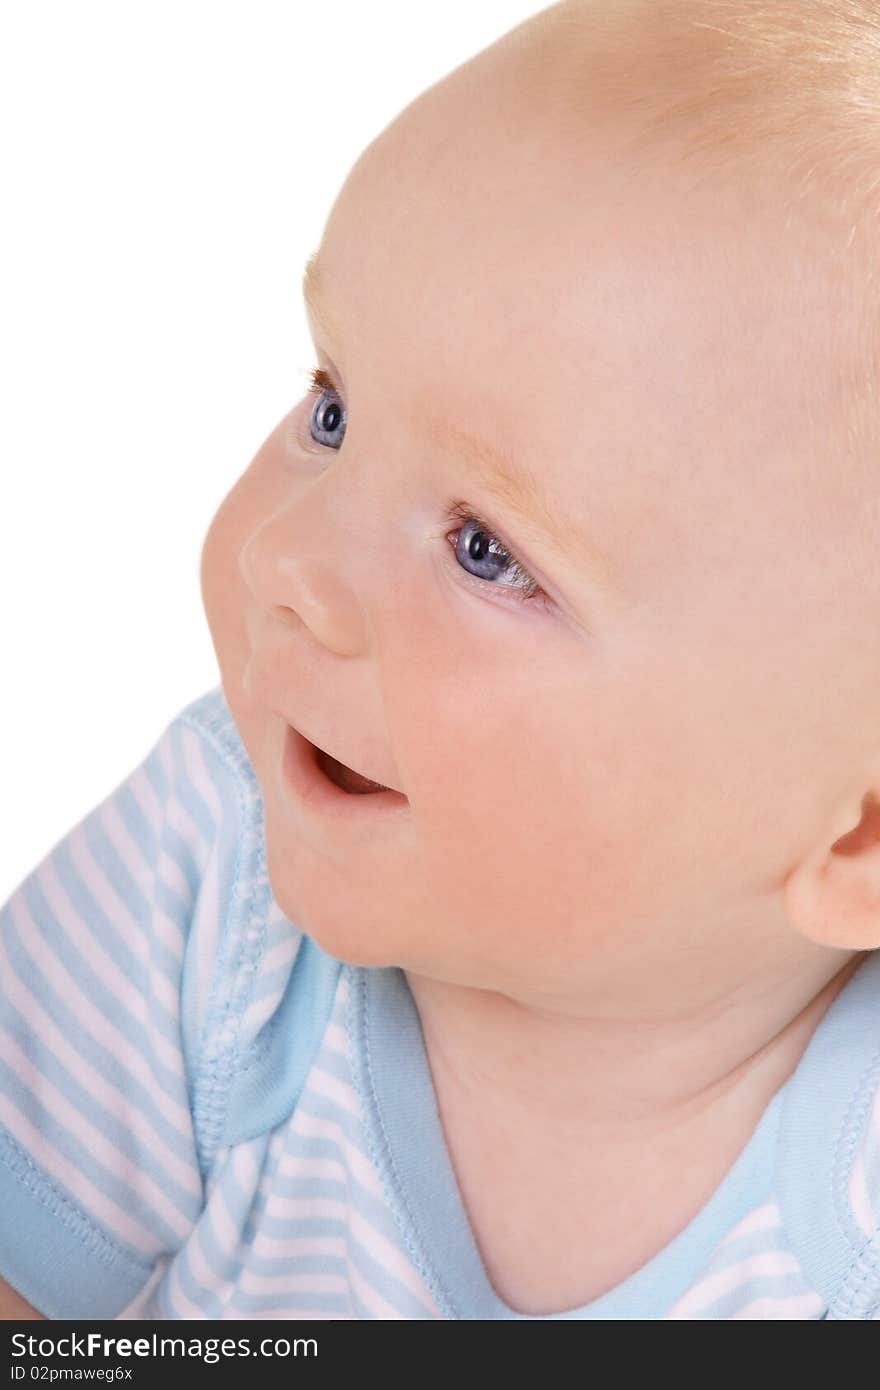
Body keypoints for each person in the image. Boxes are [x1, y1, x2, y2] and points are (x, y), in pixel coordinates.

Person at [3, 0, 880, 1320]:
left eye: (487, 551)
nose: (287, 562)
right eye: (333, 409)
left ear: (858, 836)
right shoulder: (211, 881)